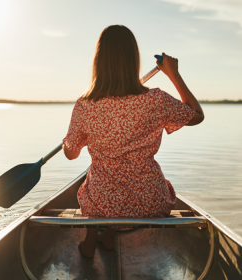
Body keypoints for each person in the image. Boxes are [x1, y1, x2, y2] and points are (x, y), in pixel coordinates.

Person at [62, 25, 204, 258]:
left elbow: (71, 154)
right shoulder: (155, 100)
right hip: (150, 203)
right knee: (106, 187)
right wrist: (173, 74)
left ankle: (91, 242)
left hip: (104, 204)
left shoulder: (84, 106)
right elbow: (196, 115)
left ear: (99, 61)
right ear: (133, 60)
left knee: (90, 189)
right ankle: (107, 239)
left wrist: (68, 143)